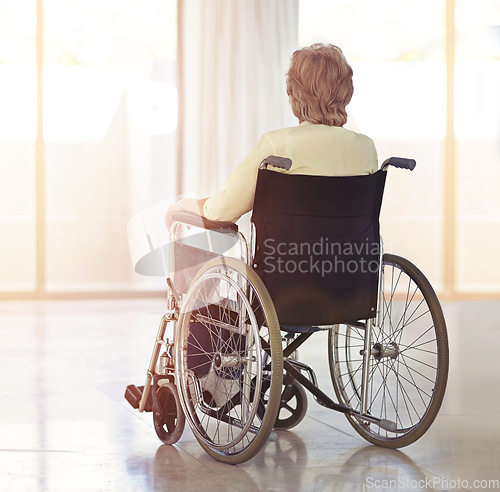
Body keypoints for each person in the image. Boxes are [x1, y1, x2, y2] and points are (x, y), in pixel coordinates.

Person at [165, 43, 377, 228]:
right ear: (347, 92)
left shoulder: (277, 147)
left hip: (287, 269)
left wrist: (189, 206)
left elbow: (225, 210)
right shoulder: (366, 149)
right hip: (349, 265)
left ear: (293, 94)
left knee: (189, 227)